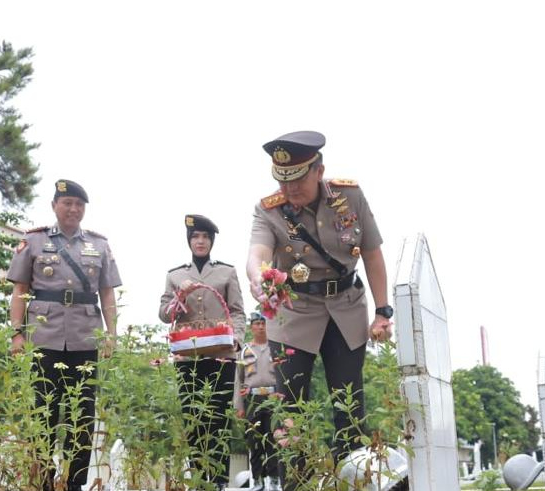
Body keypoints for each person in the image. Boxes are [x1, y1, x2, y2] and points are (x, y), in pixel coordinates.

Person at [246, 131, 393, 472]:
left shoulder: (350, 196)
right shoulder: (268, 210)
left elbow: (372, 253)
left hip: (346, 309)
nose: (290, 190)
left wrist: (382, 311)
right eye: (283, 181)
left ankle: (351, 477)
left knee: (349, 405)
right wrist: (258, 277)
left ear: (318, 171)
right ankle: (298, 481)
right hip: (294, 315)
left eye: (297, 179)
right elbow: (257, 254)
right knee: (291, 409)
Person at [8, 179, 121, 491]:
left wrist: (111, 335)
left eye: (79, 204)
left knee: (82, 412)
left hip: (86, 337)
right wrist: (17, 334)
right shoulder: (33, 241)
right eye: (67, 202)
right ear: (54, 205)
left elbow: (108, 295)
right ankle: (43, 480)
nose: (73, 209)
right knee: (44, 409)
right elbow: (19, 291)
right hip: (43, 336)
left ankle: (74, 483)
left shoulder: (99, 245)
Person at [159, 214, 246, 490]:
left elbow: (238, 312)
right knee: (194, 418)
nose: (200, 241)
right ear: (189, 241)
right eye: (195, 237)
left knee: (219, 417)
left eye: (205, 237)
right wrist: (179, 297)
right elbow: (164, 314)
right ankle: (198, 480)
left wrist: (238, 340)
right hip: (188, 357)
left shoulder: (227, 272)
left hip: (221, 354)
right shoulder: (175, 275)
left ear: (211, 241)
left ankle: (219, 481)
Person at [235, 312, 280, 491]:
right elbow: (238, 379)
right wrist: (239, 405)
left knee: (273, 440)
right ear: (251, 327)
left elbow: (284, 375)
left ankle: (274, 480)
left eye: (263, 323)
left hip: (273, 398)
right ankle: (258, 481)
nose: (261, 326)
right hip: (252, 398)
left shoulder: (275, 349)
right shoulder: (244, 351)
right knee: (254, 441)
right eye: (257, 323)